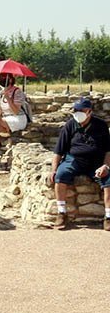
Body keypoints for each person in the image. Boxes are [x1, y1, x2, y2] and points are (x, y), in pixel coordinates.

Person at [48, 97, 110, 231]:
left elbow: (107, 150)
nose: (77, 113)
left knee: (108, 180)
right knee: (60, 175)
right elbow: (58, 151)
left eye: (81, 110)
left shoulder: (100, 125)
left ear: (89, 112)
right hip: (74, 159)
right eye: (75, 110)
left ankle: (108, 217)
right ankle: (62, 213)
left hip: (96, 162)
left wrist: (105, 166)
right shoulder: (70, 125)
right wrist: (53, 169)